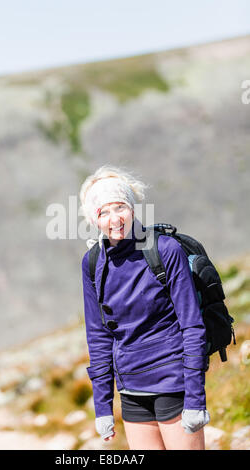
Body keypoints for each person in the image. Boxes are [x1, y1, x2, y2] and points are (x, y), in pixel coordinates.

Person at [79, 165, 210, 450]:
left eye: (120, 207)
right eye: (103, 212)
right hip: (131, 390)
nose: (115, 218)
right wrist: (102, 407)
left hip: (173, 381)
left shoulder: (164, 249)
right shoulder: (92, 263)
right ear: (93, 219)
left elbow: (192, 325)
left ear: (133, 208)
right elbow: (98, 336)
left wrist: (195, 399)